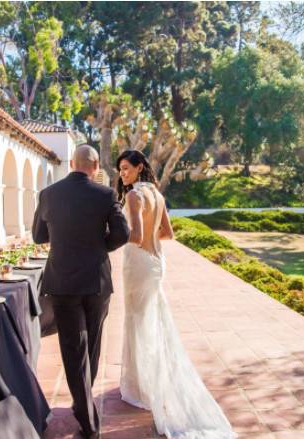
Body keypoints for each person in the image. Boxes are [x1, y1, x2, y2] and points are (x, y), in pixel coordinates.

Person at [117, 149, 236, 439]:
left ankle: (141, 386)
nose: (122, 174)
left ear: (140, 167)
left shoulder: (134, 196)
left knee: (138, 321)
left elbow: (133, 234)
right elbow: (168, 233)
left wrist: (107, 235)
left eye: (126, 169)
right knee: (151, 321)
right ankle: (149, 378)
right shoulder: (156, 195)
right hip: (156, 263)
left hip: (138, 263)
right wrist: (147, 237)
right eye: (119, 170)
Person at [32, 145, 129, 439]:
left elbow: (38, 236)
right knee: (94, 345)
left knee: (74, 350)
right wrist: (100, 247)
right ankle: (87, 416)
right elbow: (122, 234)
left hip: (62, 282)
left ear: (71, 163)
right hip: (96, 282)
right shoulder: (105, 195)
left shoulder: (49, 194)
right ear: (96, 165)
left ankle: (83, 407)